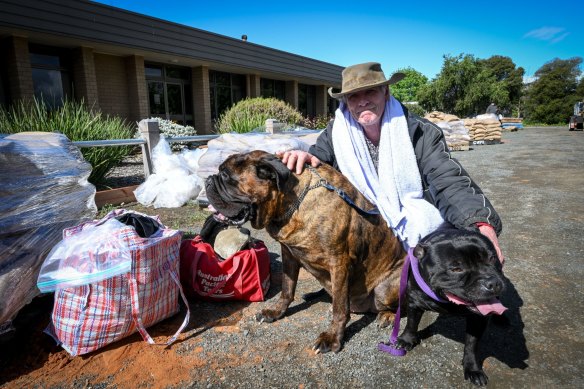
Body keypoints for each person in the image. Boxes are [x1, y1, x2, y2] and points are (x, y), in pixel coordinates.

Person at [279, 62, 503, 262]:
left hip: (413, 220)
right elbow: (319, 157)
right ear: (346, 101)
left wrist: (478, 222)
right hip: (363, 222)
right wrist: (306, 157)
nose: (363, 101)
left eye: (370, 92)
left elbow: (448, 179)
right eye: (354, 96)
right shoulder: (336, 133)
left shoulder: (420, 132)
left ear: (386, 92)